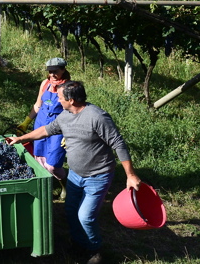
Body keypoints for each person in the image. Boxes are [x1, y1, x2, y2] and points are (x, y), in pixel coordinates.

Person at [8, 81, 142, 264]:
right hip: (75, 175)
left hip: (98, 175)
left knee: (85, 217)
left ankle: (95, 250)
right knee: (70, 211)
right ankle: (79, 243)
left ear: (71, 100)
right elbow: (46, 130)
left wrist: (131, 174)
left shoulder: (97, 117)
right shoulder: (65, 116)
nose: (58, 100)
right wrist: (21, 138)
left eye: (61, 97)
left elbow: (118, 143)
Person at [18, 57, 70, 185]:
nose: (52, 74)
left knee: (53, 164)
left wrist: (69, 134)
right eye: (50, 71)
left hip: (58, 129)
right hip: (40, 124)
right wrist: (26, 122)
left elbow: (73, 112)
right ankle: (46, 186)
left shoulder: (69, 87)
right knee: (40, 159)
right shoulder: (45, 84)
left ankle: (64, 184)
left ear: (63, 70)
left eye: (55, 71)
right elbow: (38, 105)